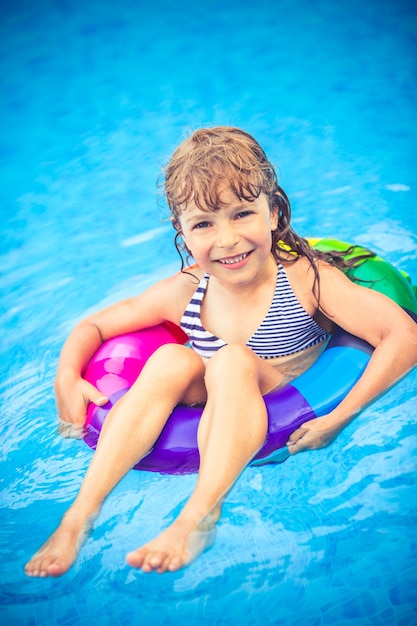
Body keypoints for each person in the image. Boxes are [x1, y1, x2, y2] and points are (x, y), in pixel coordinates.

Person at [25, 126, 417, 578]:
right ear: (182, 231)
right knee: (171, 359)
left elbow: (403, 336)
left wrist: (340, 415)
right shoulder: (188, 289)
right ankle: (78, 517)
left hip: (271, 390)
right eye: (204, 223)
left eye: (242, 214)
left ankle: (198, 518)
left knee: (230, 360)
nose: (227, 240)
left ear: (273, 213)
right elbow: (95, 324)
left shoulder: (306, 282)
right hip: (214, 395)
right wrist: (66, 376)